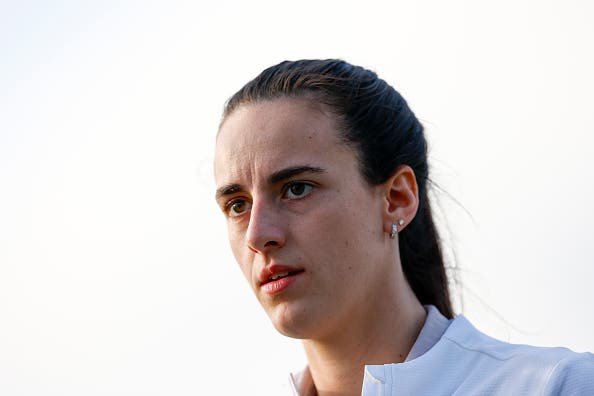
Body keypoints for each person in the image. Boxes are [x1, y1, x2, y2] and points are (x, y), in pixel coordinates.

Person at [213, 59, 594, 395]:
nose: (258, 235)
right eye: (237, 205)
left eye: (297, 189)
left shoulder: (558, 386)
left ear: (397, 198)